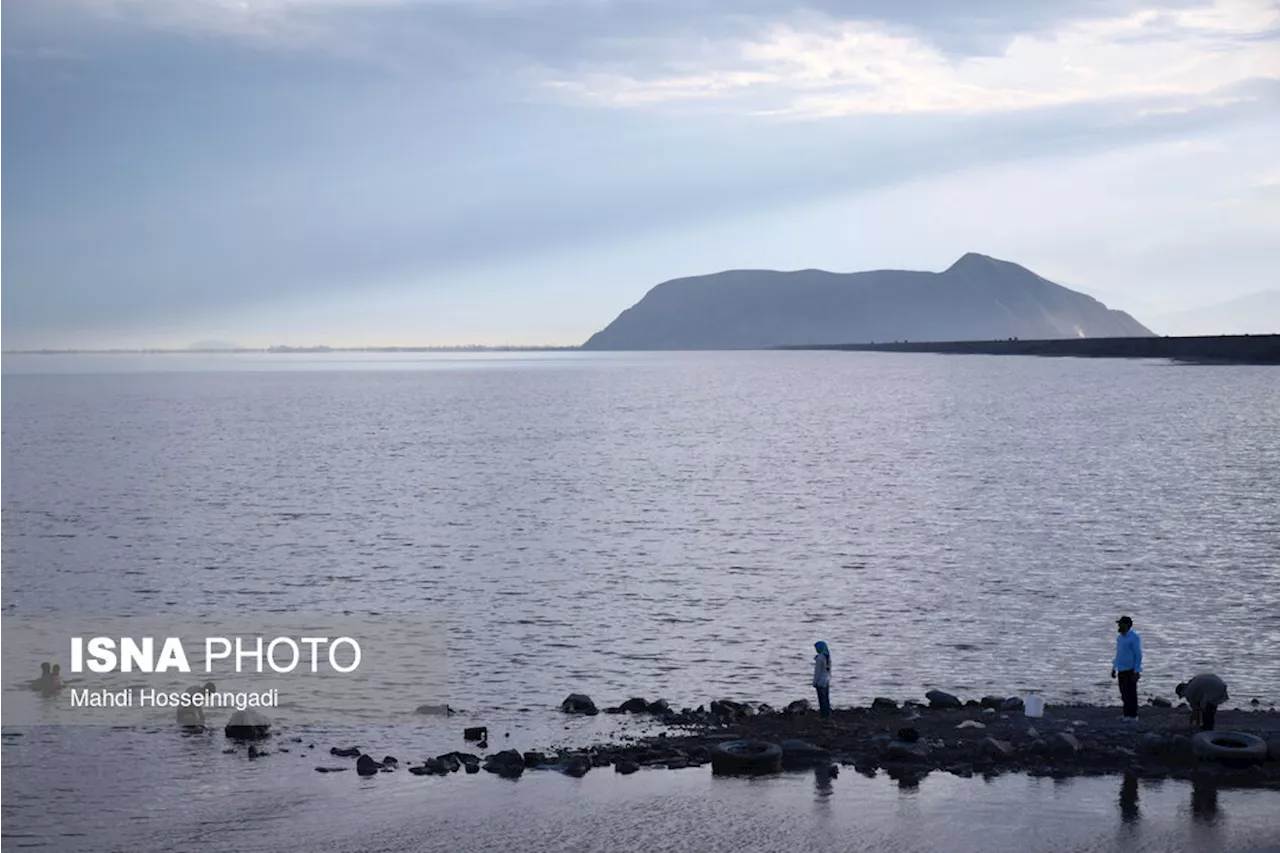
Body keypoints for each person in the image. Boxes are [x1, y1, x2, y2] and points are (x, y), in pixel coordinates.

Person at [1111, 615, 1142, 721]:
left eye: (1121, 624)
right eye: (1119, 624)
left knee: (1131, 693)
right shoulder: (1120, 638)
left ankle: (1133, 716)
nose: (1119, 626)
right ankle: (1126, 714)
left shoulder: (1134, 637)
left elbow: (1138, 655)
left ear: (1127, 625)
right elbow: (1118, 653)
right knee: (1124, 692)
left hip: (1131, 669)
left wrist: (1137, 671)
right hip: (1121, 668)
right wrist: (1114, 667)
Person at [812, 641, 831, 719]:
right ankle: (827, 714)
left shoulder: (819, 658)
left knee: (821, 700)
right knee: (826, 699)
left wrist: (814, 682)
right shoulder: (828, 657)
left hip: (820, 682)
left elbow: (817, 672)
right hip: (826, 680)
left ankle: (823, 716)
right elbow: (829, 670)